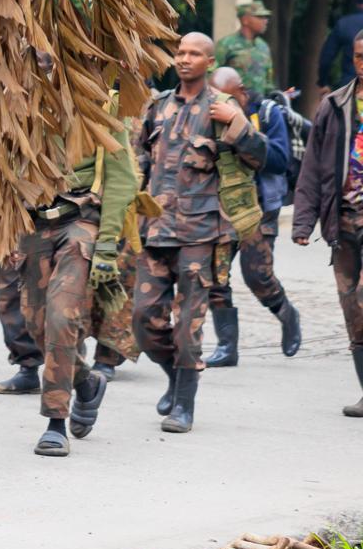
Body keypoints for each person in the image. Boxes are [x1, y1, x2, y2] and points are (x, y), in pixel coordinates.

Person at [133, 33, 266, 434]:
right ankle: (174, 377)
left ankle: (184, 405)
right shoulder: (157, 108)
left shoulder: (222, 108)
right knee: (143, 319)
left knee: (188, 323)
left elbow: (261, 157)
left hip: (202, 234)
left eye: (194, 54)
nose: (184, 59)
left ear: (209, 61)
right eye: (180, 52)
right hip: (156, 232)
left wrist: (239, 127)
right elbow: (139, 162)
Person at [17, 104, 138, 456]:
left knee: (61, 315)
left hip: (80, 223)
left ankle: (56, 422)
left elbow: (121, 178)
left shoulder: (99, 108)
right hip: (35, 224)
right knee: (36, 324)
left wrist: (106, 247)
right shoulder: (19, 103)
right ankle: (86, 382)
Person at [202, 66, 301, 366]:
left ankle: (287, 314)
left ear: (241, 92)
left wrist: (238, 126)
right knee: (215, 274)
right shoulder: (207, 114)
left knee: (257, 273)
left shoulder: (267, 113)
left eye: (229, 99)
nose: (223, 105)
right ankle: (227, 346)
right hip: (222, 206)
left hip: (259, 207)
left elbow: (278, 160)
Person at [290, 28, 363, 417]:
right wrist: (303, 223)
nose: (362, 64)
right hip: (344, 222)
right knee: (353, 308)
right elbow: (313, 168)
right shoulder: (334, 105)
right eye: (357, 56)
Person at [0, 253, 45, 395]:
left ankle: (77, 368)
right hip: (12, 234)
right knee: (9, 295)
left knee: (61, 294)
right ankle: (28, 367)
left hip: (62, 235)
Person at [216, 1, 275, 97]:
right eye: (260, 17)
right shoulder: (226, 44)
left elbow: (268, 82)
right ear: (245, 20)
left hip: (258, 107)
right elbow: (212, 76)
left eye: (265, 17)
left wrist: (275, 96)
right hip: (233, 105)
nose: (265, 21)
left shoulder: (263, 46)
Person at [319, 0, 363, 91]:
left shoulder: (344, 24)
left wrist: (323, 82)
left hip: (349, 87)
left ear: (355, 1)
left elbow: (326, 58)